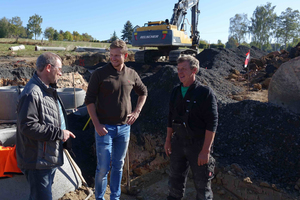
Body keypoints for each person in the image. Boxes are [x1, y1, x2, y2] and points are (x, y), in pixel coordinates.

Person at [85, 39, 147, 200]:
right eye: (111, 55)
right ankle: (99, 197)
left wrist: (137, 111)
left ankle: (115, 197)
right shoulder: (99, 74)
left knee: (118, 166)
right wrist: (96, 124)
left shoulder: (132, 74)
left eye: (117, 55)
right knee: (103, 167)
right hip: (104, 128)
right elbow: (89, 100)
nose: (113, 58)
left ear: (125, 55)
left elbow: (143, 92)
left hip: (124, 128)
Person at [16, 52, 76, 200]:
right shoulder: (32, 93)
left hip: (47, 157)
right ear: (49, 67)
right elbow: (28, 126)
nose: (61, 74)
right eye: (59, 69)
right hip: (37, 161)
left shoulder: (47, 89)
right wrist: (59, 134)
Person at [164, 55, 218, 200]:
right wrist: (168, 140)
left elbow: (212, 123)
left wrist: (205, 150)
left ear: (194, 70)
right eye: (178, 69)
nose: (180, 72)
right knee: (175, 182)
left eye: (184, 69)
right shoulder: (175, 91)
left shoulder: (205, 93)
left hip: (198, 145)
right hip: (178, 143)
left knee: (202, 187)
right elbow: (170, 118)